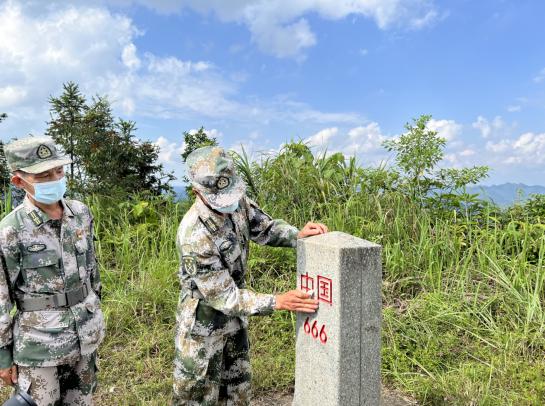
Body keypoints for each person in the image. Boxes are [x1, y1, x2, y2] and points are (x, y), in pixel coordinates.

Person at [173, 146, 328, 405]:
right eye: (219, 198)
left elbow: (264, 227)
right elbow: (224, 296)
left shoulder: (237, 203)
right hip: (203, 326)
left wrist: (297, 234)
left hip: (234, 322)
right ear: (197, 191)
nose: (228, 204)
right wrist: (278, 301)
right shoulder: (194, 236)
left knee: (237, 390)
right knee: (198, 396)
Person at [0, 136, 105, 405]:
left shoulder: (80, 213)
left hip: (84, 334)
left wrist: (95, 310)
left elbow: (92, 270)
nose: (54, 180)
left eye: (58, 171)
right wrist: (3, 356)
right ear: (19, 182)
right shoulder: (11, 230)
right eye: (43, 176)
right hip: (39, 345)